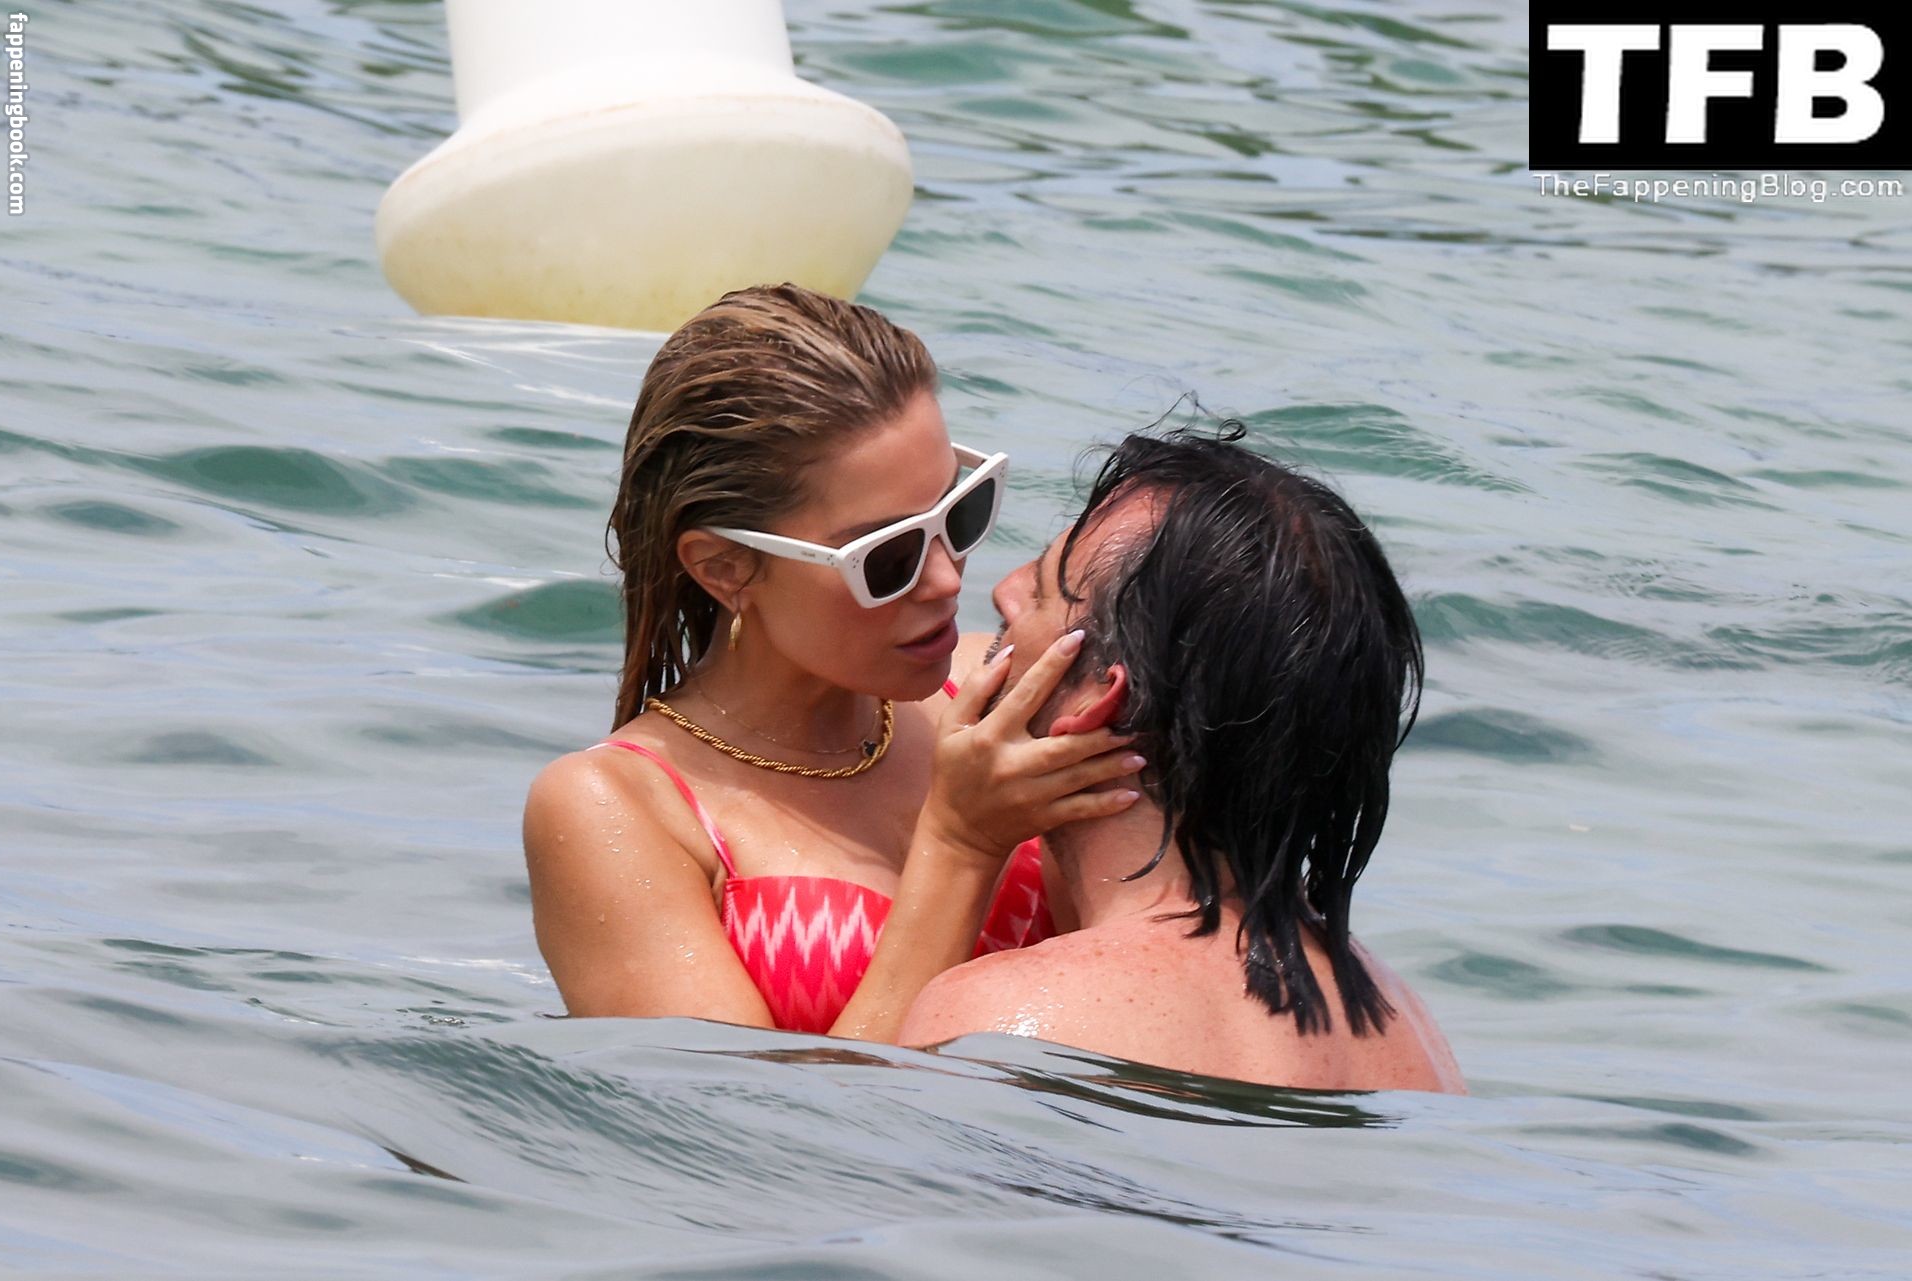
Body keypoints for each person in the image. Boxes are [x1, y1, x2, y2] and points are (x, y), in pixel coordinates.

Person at [522, 284, 1143, 1040]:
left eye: (960, 512)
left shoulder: (1001, 690)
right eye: (888, 557)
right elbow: (737, 1111)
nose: (947, 579)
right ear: (724, 568)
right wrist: (962, 846)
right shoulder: (619, 809)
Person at [899, 426, 1465, 1092]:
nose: (1004, 591)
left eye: (1045, 591)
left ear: (1102, 697)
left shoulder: (1001, 1021)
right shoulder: (1408, 1033)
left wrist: (959, 842)